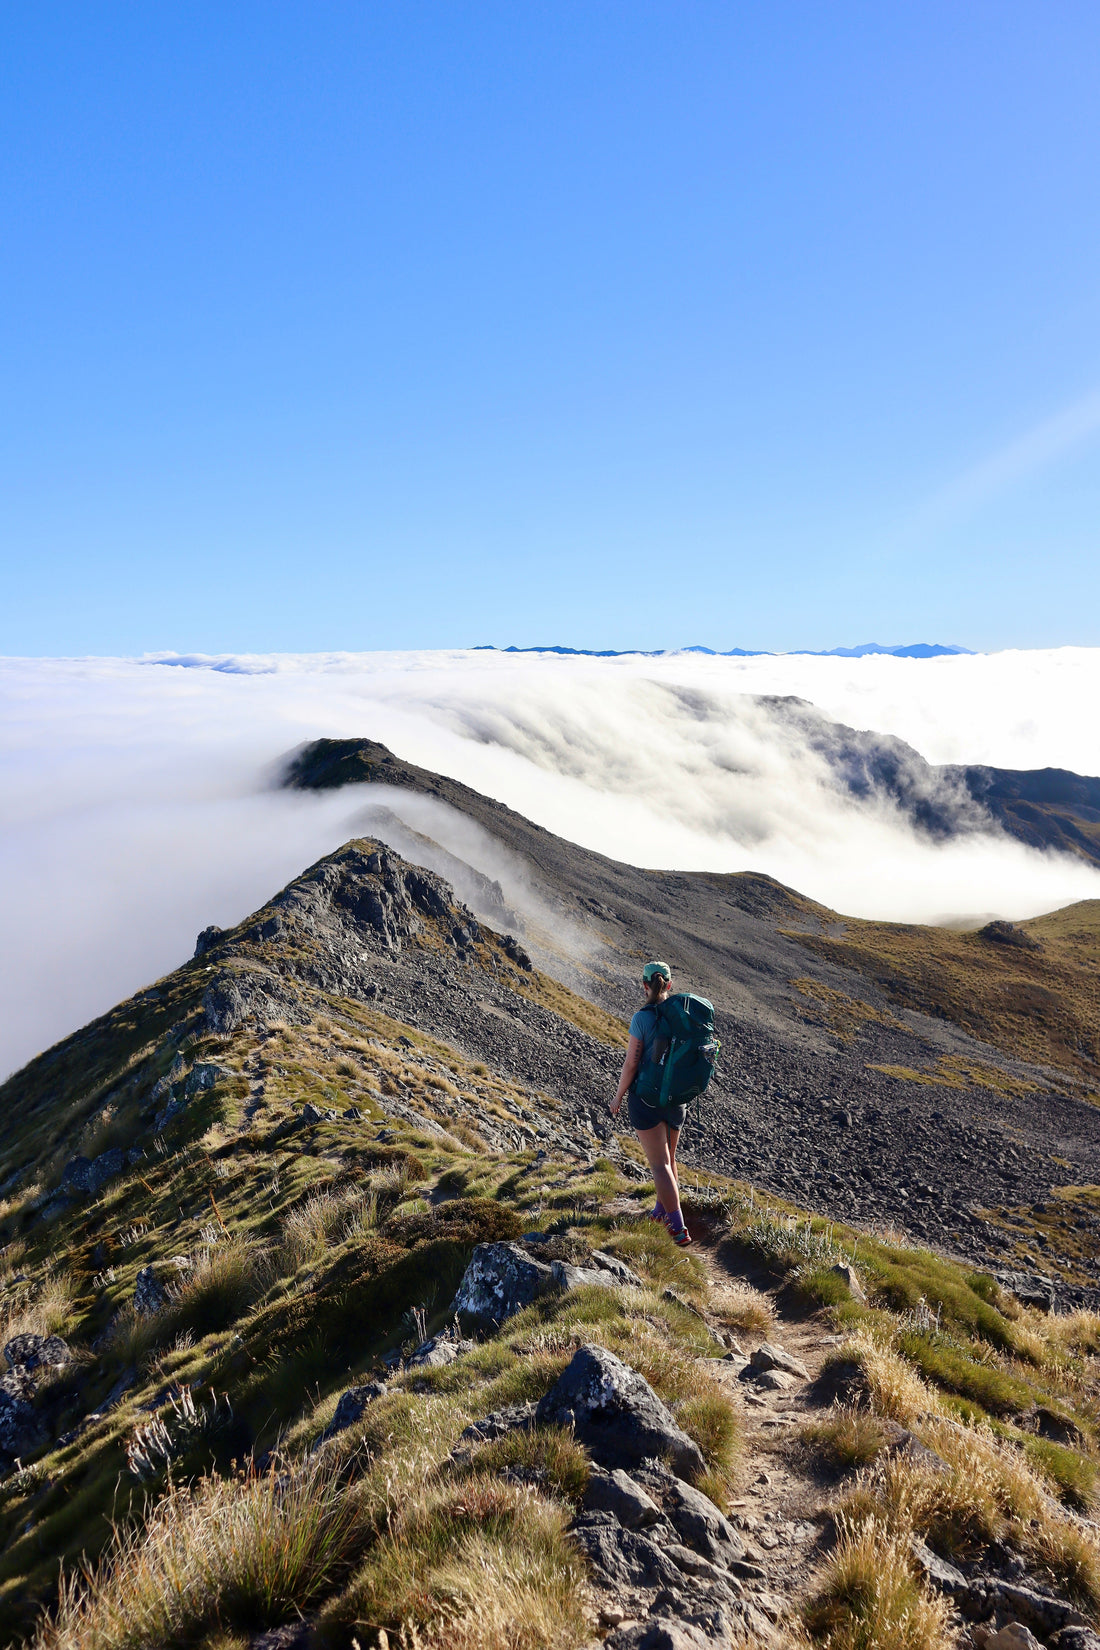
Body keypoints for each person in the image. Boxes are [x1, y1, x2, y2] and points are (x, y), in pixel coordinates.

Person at [609, 960, 692, 1246]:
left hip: (647, 1099)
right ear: (669, 985)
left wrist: (618, 1096)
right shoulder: (683, 1015)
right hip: (676, 1099)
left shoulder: (642, 1018)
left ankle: (678, 1228)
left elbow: (631, 1064)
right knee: (669, 1161)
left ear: (644, 985)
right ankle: (660, 1212)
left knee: (659, 1165)